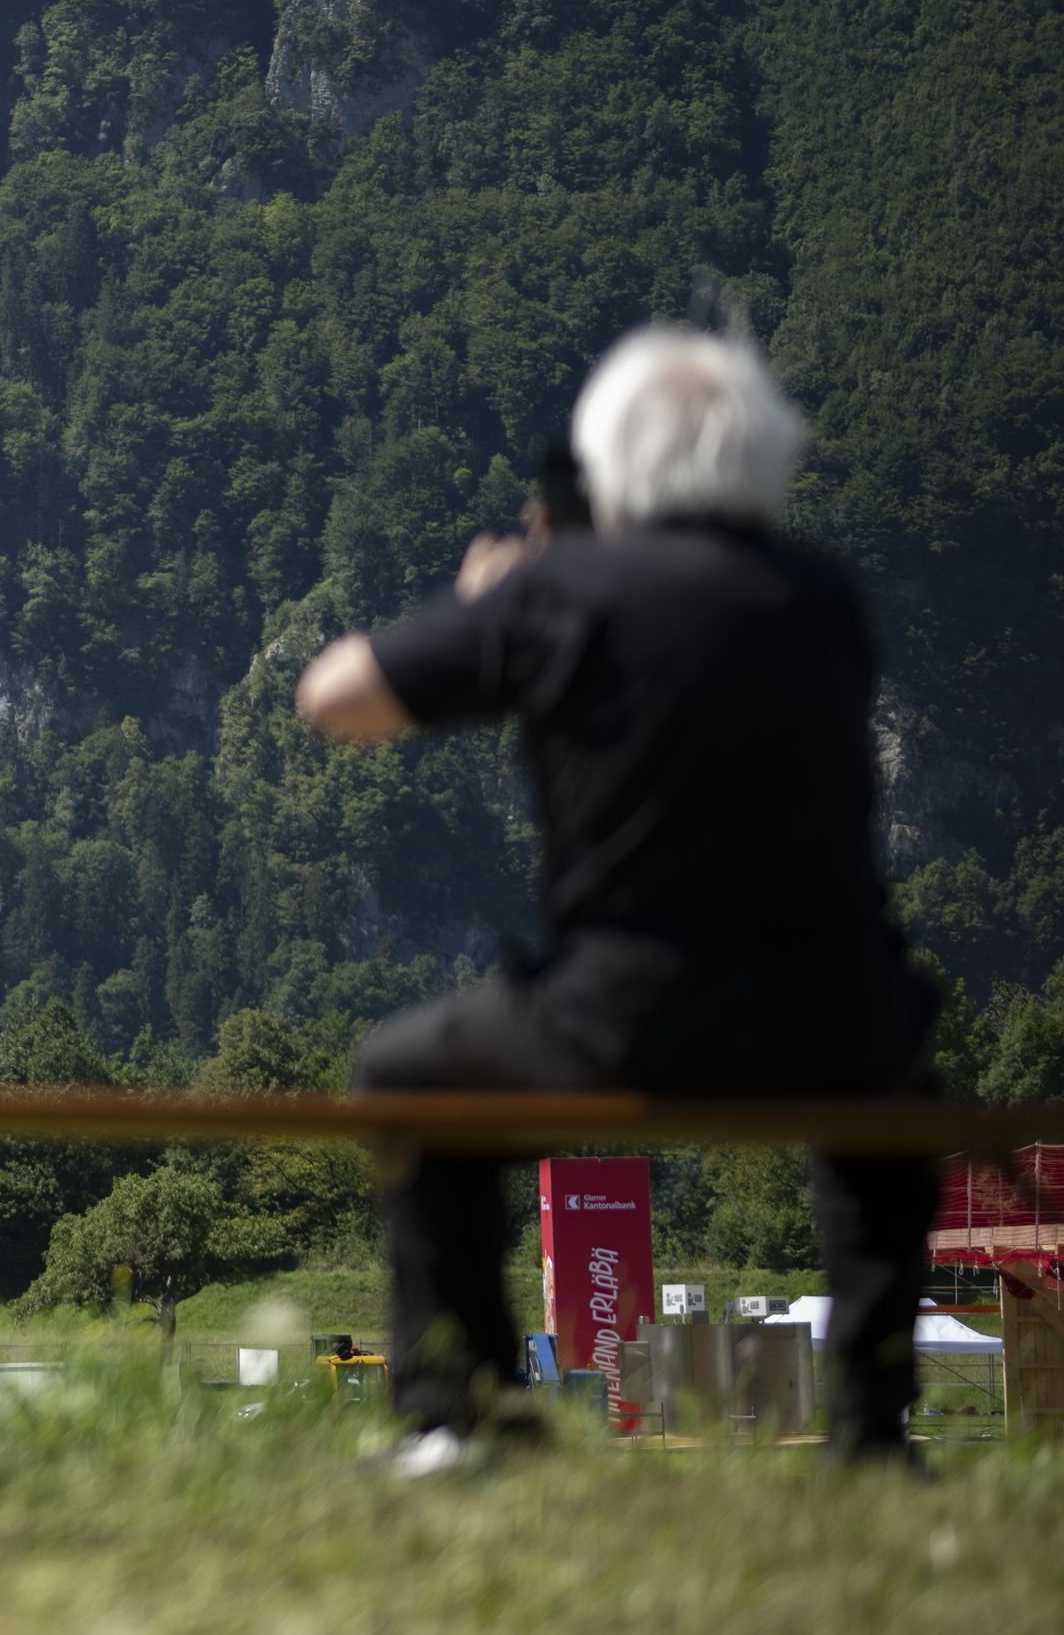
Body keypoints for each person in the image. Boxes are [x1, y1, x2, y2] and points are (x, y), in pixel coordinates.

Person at [295, 328, 939, 1473]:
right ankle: (872, 1432)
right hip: (840, 1018)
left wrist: (497, 604)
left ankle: (461, 1417)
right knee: (888, 1102)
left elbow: (333, 696)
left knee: (404, 1072)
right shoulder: (823, 595)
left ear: (609, 462)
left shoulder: (560, 591)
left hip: (631, 1012)